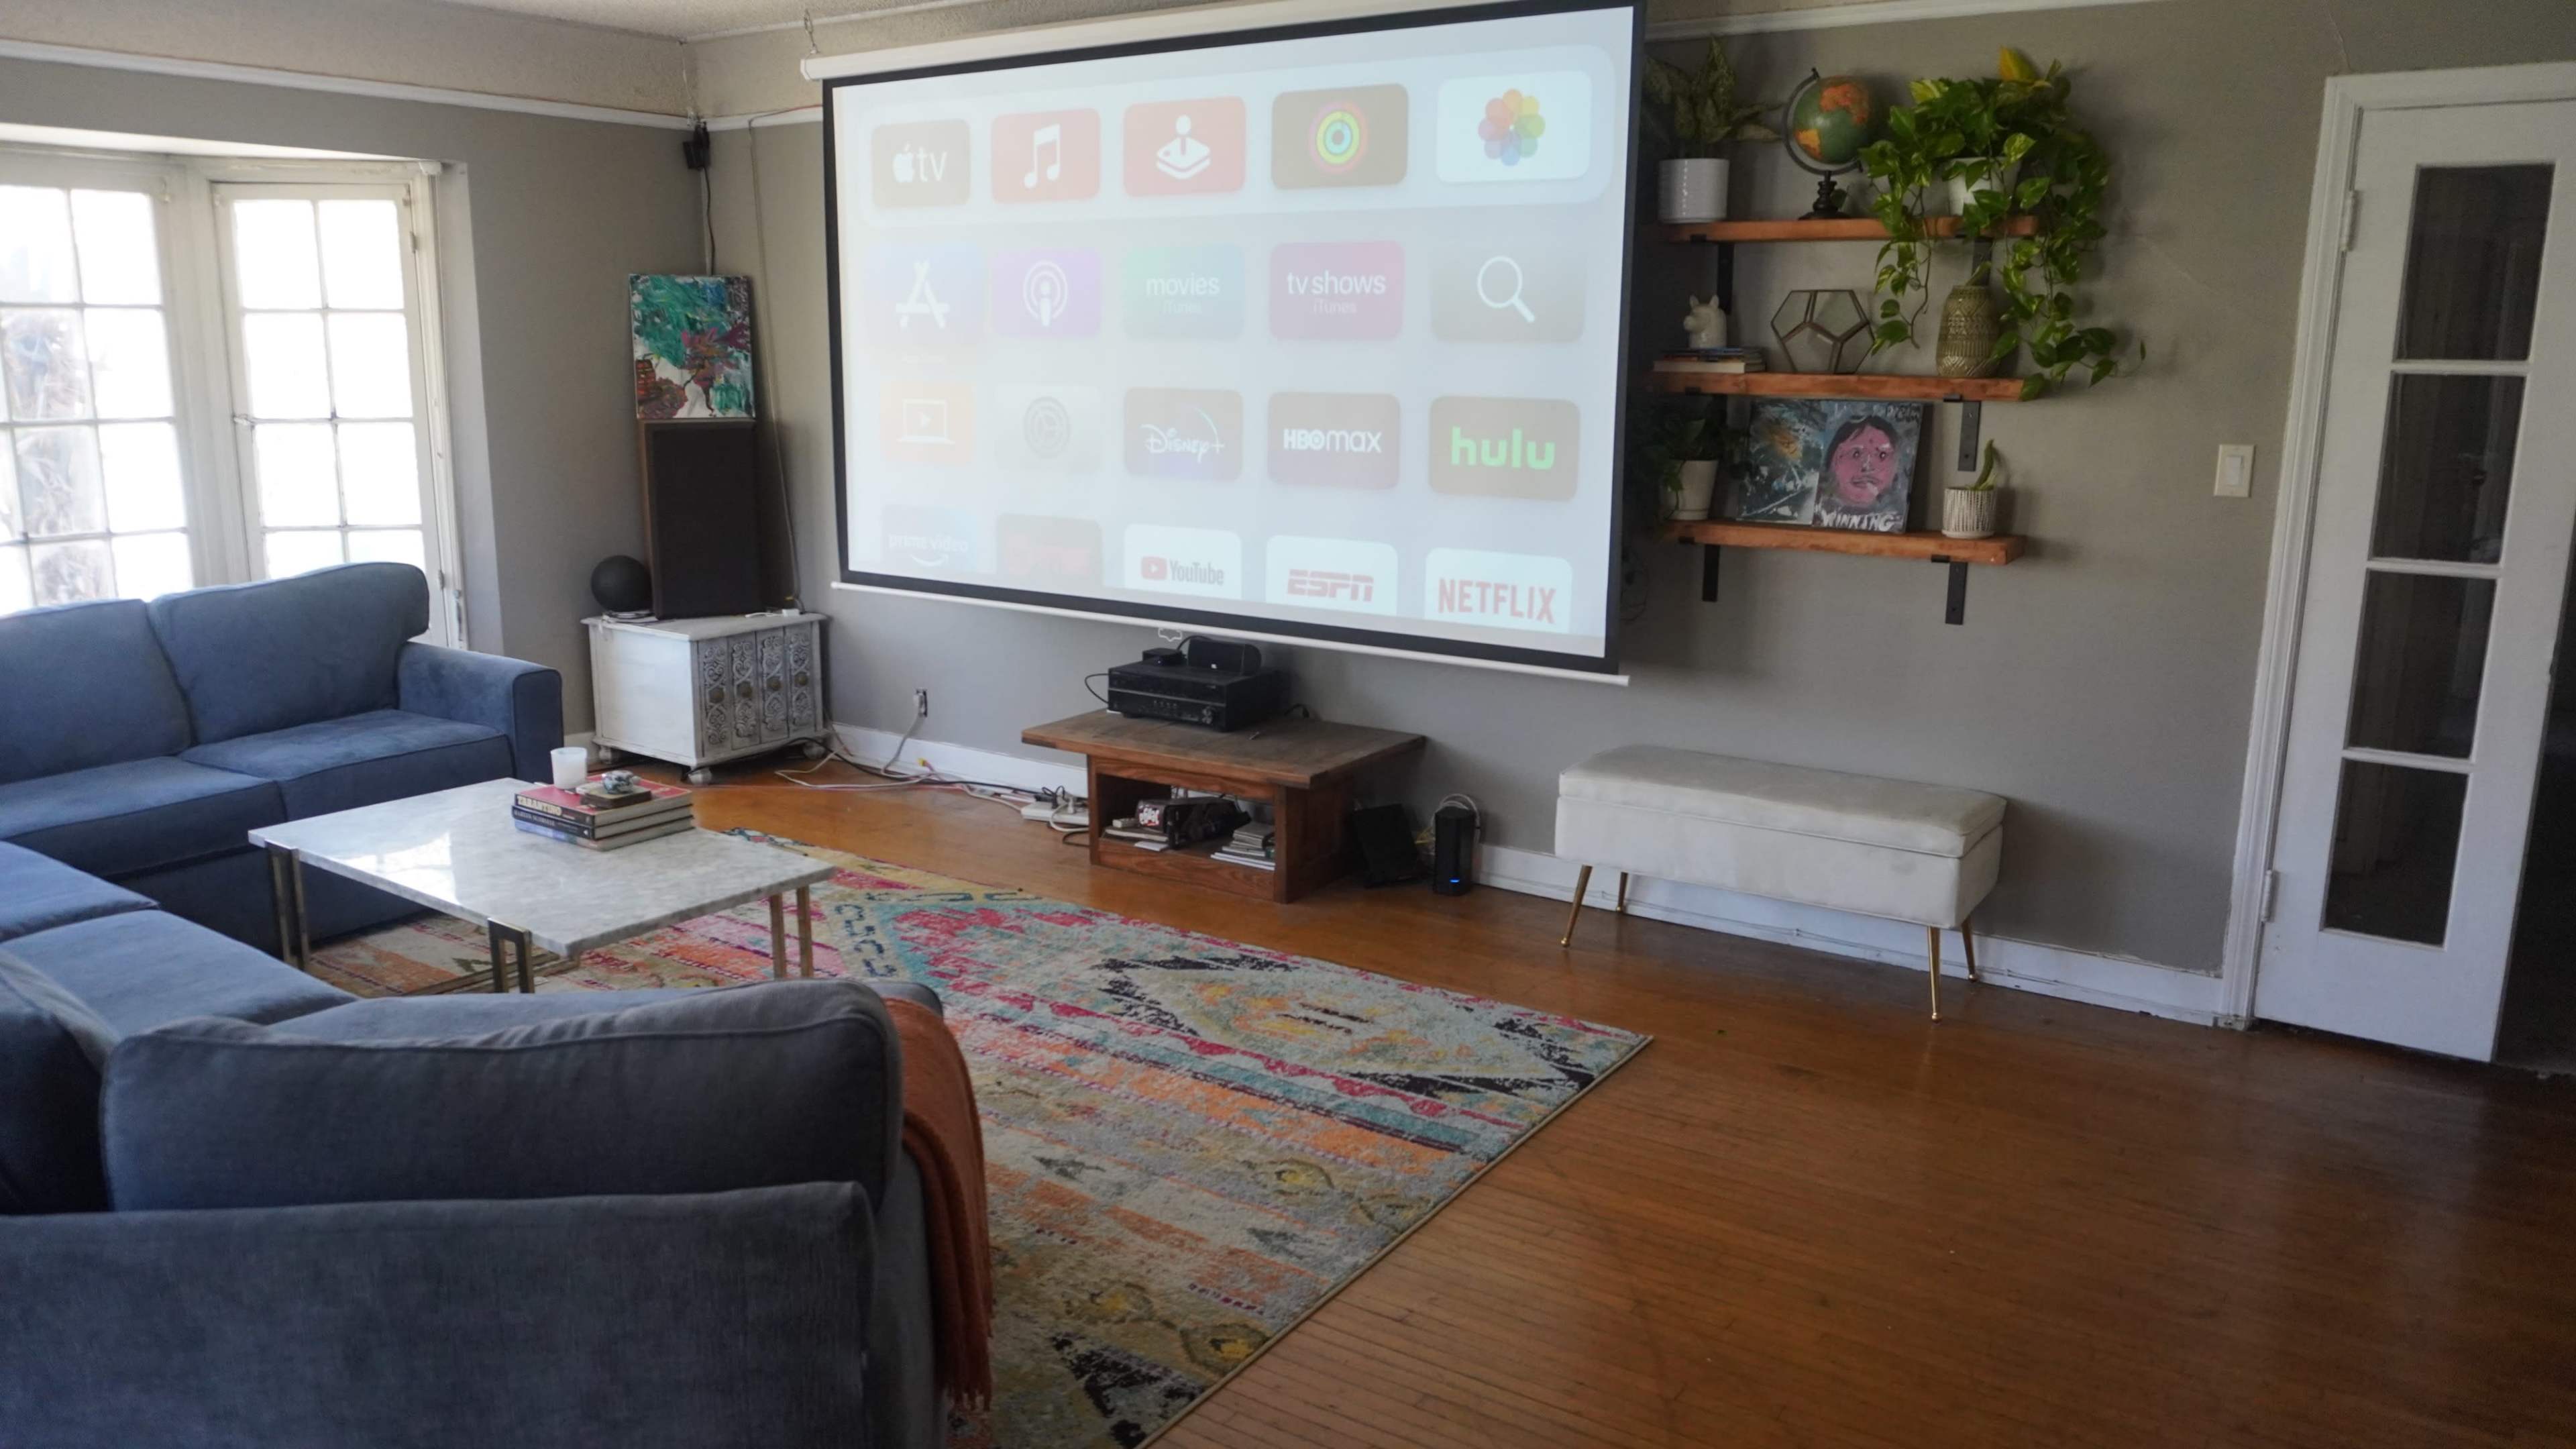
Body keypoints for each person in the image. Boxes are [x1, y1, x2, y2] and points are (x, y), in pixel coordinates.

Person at [1812, 414, 1908, 532]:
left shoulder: (1896, 519)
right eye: (1856, 454)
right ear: (1836, 458)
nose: (1867, 467)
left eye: (1882, 455)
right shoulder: (1813, 510)